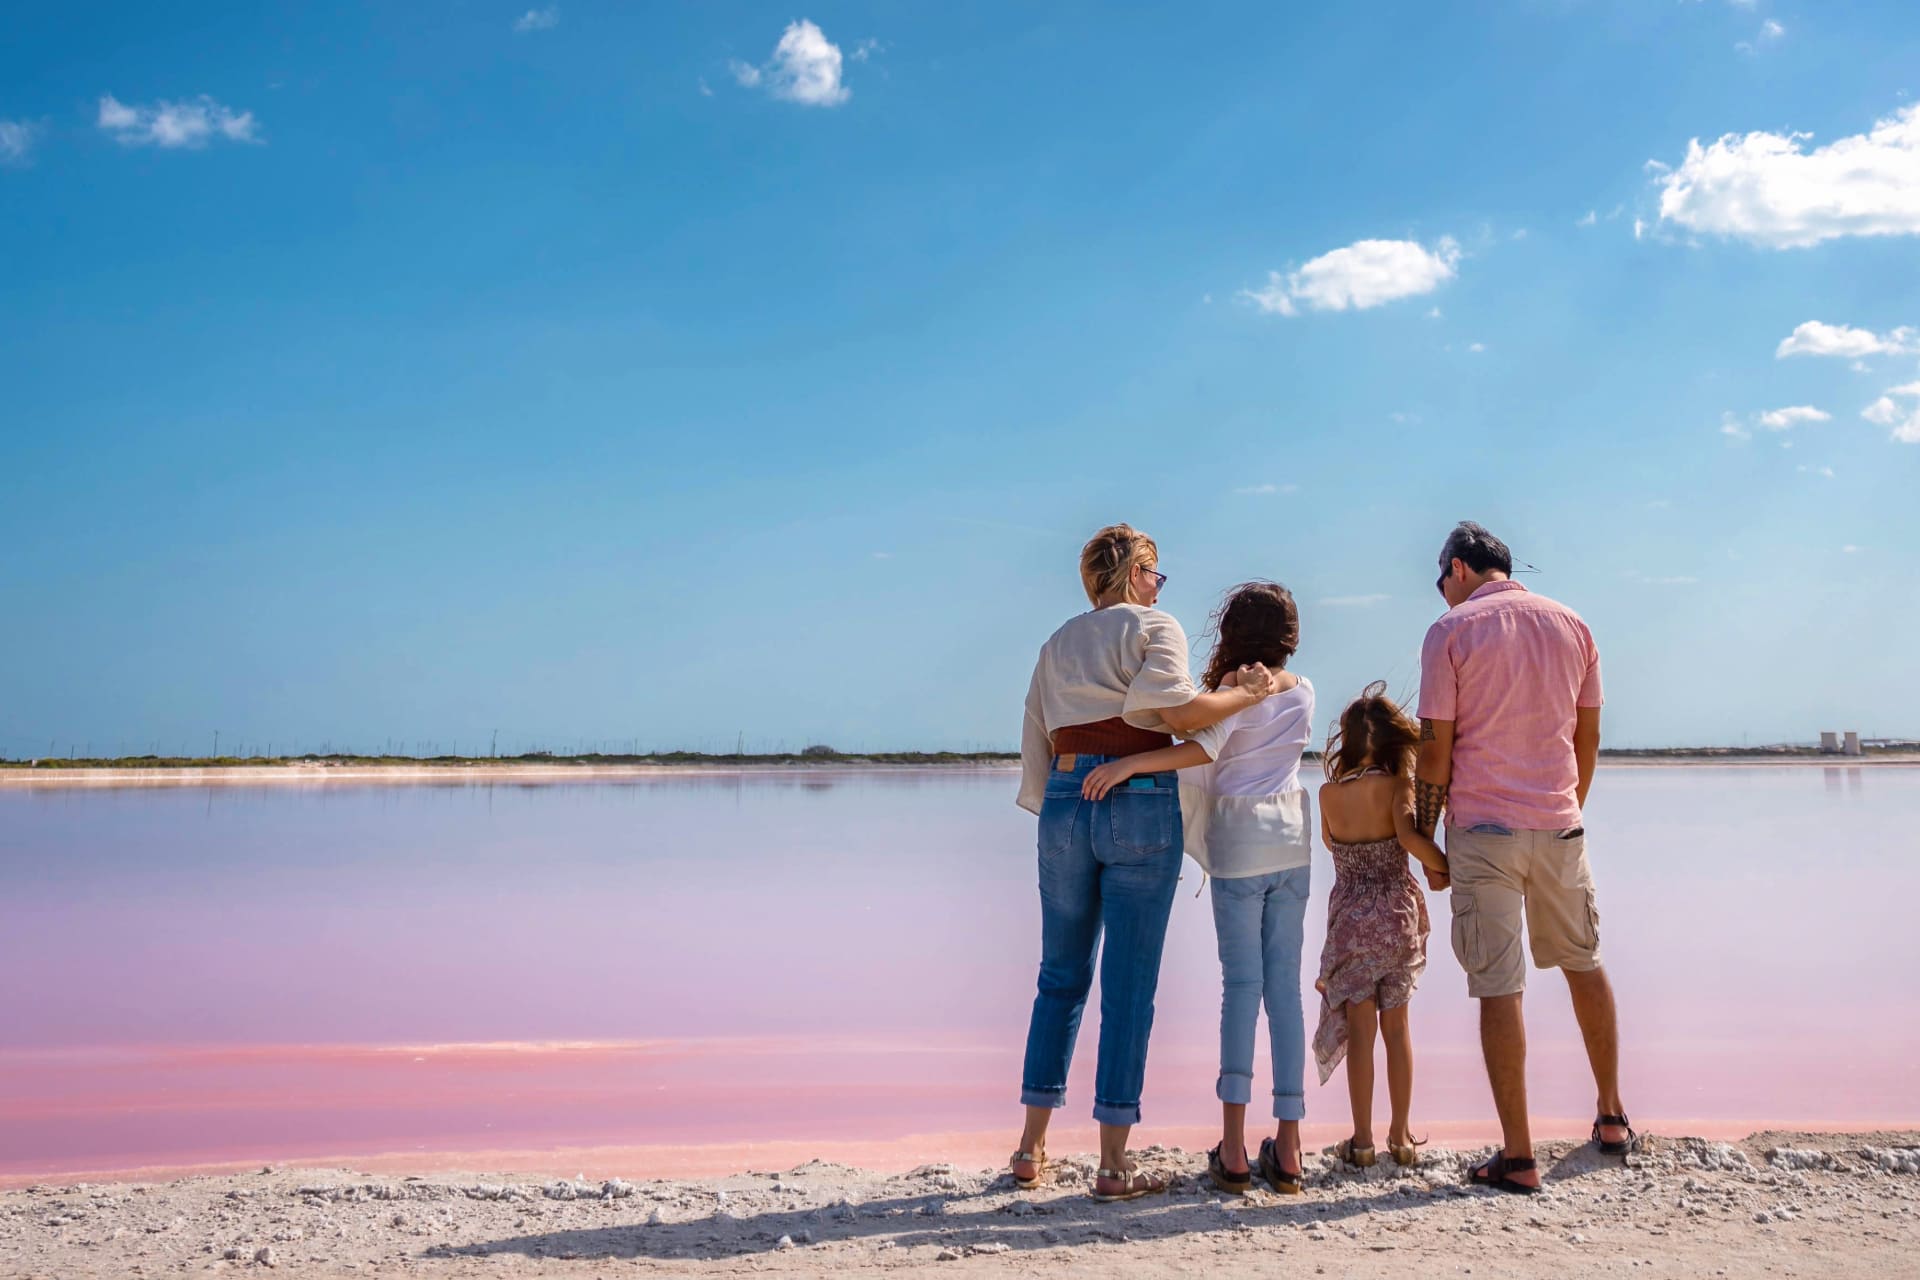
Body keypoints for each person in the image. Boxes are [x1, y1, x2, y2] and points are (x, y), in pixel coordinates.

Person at [1013, 525, 1277, 1202]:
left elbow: (1038, 737)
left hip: (1068, 799)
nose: (1159, 588)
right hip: (1137, 798)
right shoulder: (1153, 626)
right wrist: (1246, 696)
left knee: (1059, 978)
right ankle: (1111, 1164)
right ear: (1134, 576)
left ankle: (1029, 1146)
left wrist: (1060, 804)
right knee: (1128, 988)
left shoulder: (1057, 643)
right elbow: (1180, 711)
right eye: (1155, 574)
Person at [1412, 521, 1631, 1196]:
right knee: (1584, 963)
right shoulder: (1574, 625)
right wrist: (1567, 807)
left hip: (1484, 830)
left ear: (1456, 568)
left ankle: (1519, 1154)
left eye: (1440, 580)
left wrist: (1428, 838)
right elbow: (1586, 737)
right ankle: (1612, 1116)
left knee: (1498, 987)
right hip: (1560, 823)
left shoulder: (1450, 633)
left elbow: (1435, 749)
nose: (1442, 592)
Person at [1079, 582, 1315, 1196]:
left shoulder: (1230, 696)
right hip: (1293, 843)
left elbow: (1195, 750)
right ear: (1290, 638)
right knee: (1284, 992)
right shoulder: (1305, 691)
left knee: (1242, 989)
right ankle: (1289, 1149)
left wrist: (1129, 763)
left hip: (1238, 845)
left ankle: (1234, 1149)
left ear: (1232, 633)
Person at [1311, 682, 1449, 1170]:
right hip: (1395, 917)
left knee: (1361, 1032)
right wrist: (1447, 868)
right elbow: (1409, 838)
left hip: (1350, 920)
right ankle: (1402, 1136)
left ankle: (1363, 1139)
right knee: (1398, 1029)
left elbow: (1333, 848)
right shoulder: (1397, 786)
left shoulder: (1327, 794)